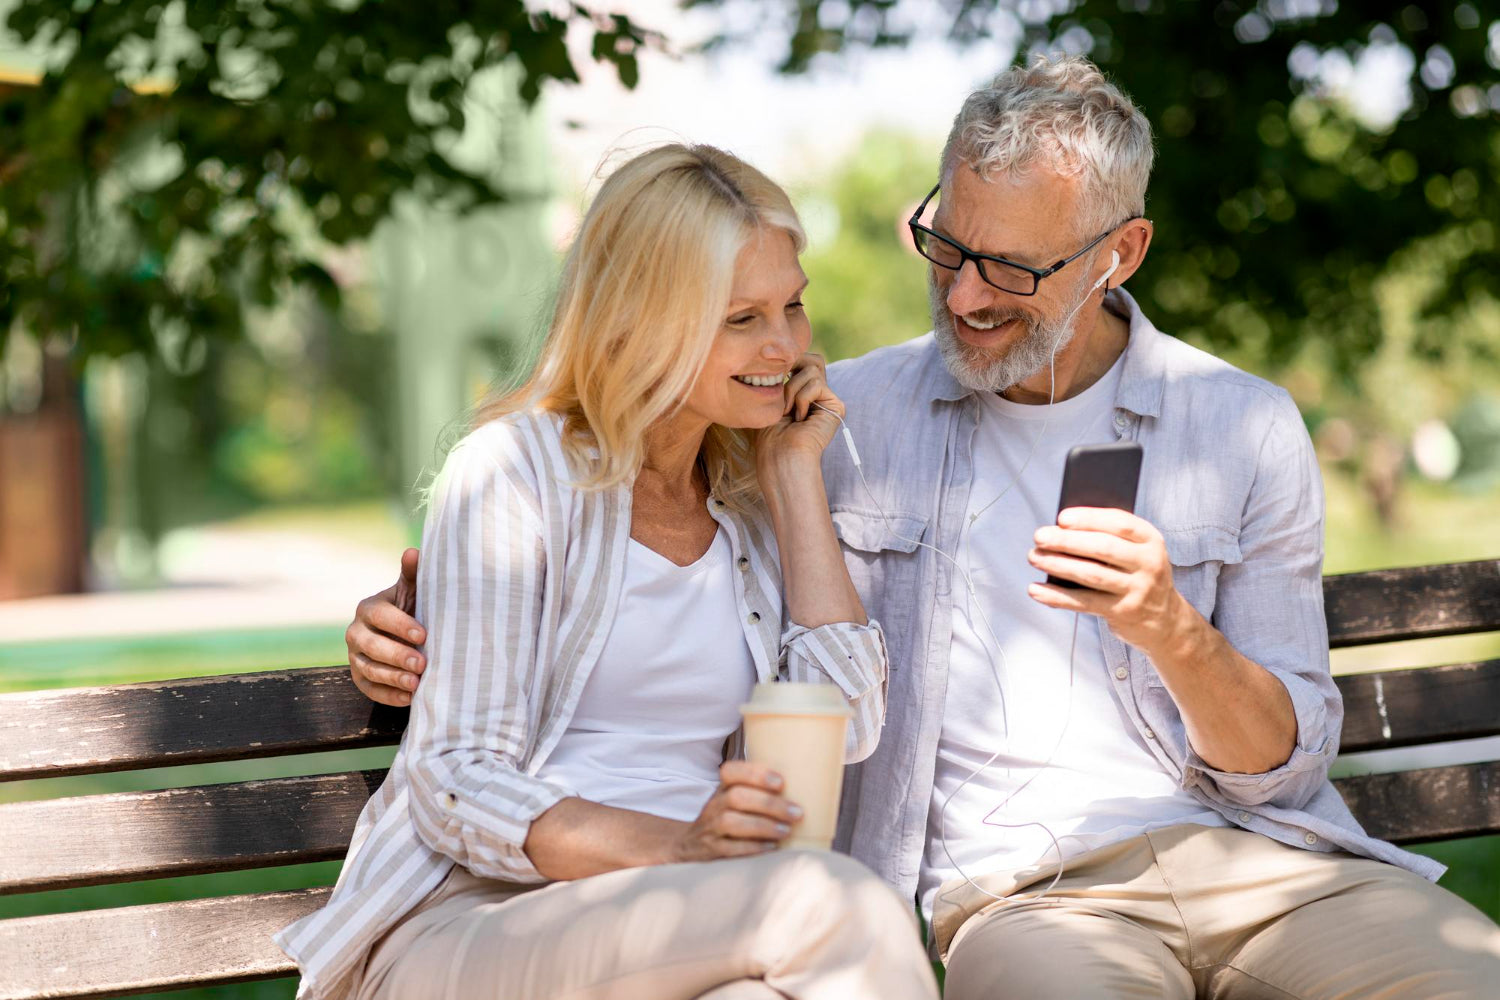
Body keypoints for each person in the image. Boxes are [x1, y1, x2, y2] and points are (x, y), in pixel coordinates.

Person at [349, 60, 1500, 998]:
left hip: (1253, 865)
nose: (960, 297)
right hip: (994, 896)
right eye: (945, 247)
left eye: (1009, 266)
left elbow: (1280, 763)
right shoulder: (794, 427)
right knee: (832, 913)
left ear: (1120, 255)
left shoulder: (1233, 428)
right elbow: (465, 753)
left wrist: (1172, 629)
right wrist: (401, 625)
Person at [278, 143, 939, 1000]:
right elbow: (455, 781)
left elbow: (843, 724)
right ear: (644, 318)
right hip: (476, 919)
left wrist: (792, 478)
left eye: (793, 306)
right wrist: (677, 848)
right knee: (835, 904)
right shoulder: (513, 476)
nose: (784, 343)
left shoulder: (746, 502)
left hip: (686, 919)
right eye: (743, 318)